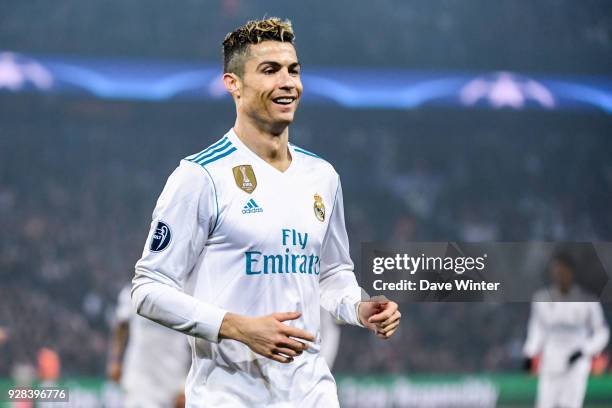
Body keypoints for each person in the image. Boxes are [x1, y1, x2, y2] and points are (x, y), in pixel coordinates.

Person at [132, 17, 401, 407]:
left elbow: (332, 273)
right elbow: (148, 289)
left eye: (293, 70)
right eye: (270, 70)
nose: (287, 82)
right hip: (230, 396)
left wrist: (358, 308)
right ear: (233, 84)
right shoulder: (200, 176)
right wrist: (237, 327)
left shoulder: (322, 176)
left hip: (313, 394)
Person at [523, 253, 609, 408]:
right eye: (556, 271)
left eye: (563, 271)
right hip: (550, 362)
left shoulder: (587, 301)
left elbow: (602, 332)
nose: (559, 275)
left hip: (576, 364)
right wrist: (529, 353)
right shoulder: (542, 299)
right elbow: (537, 329)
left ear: (571, 272)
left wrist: (585, 350)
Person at [108, 285, 190, 408]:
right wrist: (115, 360)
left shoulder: (186, 294)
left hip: (173, 377)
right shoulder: (134, 290)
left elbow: (195, 342)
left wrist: (185, 383)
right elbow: (121, 327)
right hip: (139, 374)